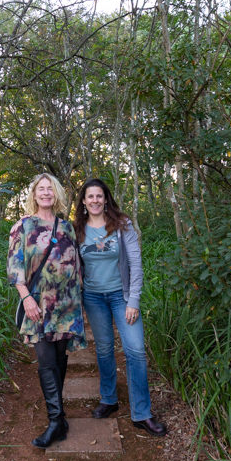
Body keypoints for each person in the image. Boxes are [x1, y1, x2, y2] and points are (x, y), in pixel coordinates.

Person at [74, 178, 166, 436]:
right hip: (93, 297)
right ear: (83, 201)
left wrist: (133, 300)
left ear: (106, 199)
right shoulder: (77, 229)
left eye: (99, 196)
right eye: (90, 196)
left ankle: (142, 413)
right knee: (103, 350)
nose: (95, 200)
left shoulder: (121, 225)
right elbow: (73, 267)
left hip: (121, 296)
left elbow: (136, 264)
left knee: (135, 350)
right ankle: (108, 399)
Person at [8, 173, 86, 448]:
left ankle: (59, 419)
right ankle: (55, 421)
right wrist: (26, 297)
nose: (46, 193)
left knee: (60, 359)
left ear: (56, 194)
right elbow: (15, 267)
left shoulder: (67, 227)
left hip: (66, 304)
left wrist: (79, 302)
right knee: (45, 360)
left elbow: (76, 265)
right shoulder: (23, 226)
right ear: (34, 194)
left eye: (50, 188)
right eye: (41, 189)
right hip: (38, 304)